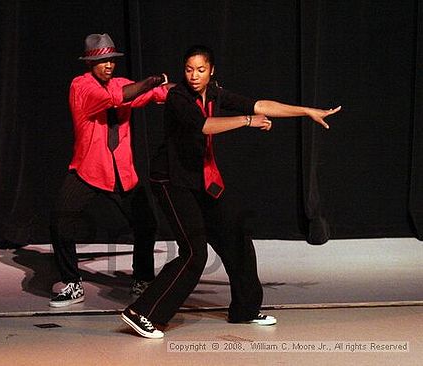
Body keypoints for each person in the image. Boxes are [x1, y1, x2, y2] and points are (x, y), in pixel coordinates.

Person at [121, 45, 341, 338]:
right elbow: (205, 126)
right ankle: (141, 312)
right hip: (171, 182)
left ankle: (245, 309)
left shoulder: (214, 93)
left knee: (235, 235)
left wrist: (305, 111)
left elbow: (259, 105)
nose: (194, 76)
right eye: (189, 69)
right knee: (194, 253)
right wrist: (247, 122)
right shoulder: (177, 97)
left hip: (201, 180)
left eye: (200, 70)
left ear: (211, 71)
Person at [49, 34, 174, 308]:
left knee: (146, 224)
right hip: (88, 169)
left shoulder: (121, 82)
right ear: (90, 62)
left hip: (122, 171)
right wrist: (151, 81)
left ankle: (142, 279)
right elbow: (115, 98)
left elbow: (158, 93)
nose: (108, 65)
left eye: (111, 60)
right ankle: (72, 283)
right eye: (102, 60)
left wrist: (193, 90)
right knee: (61, 221)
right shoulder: (81, 86)